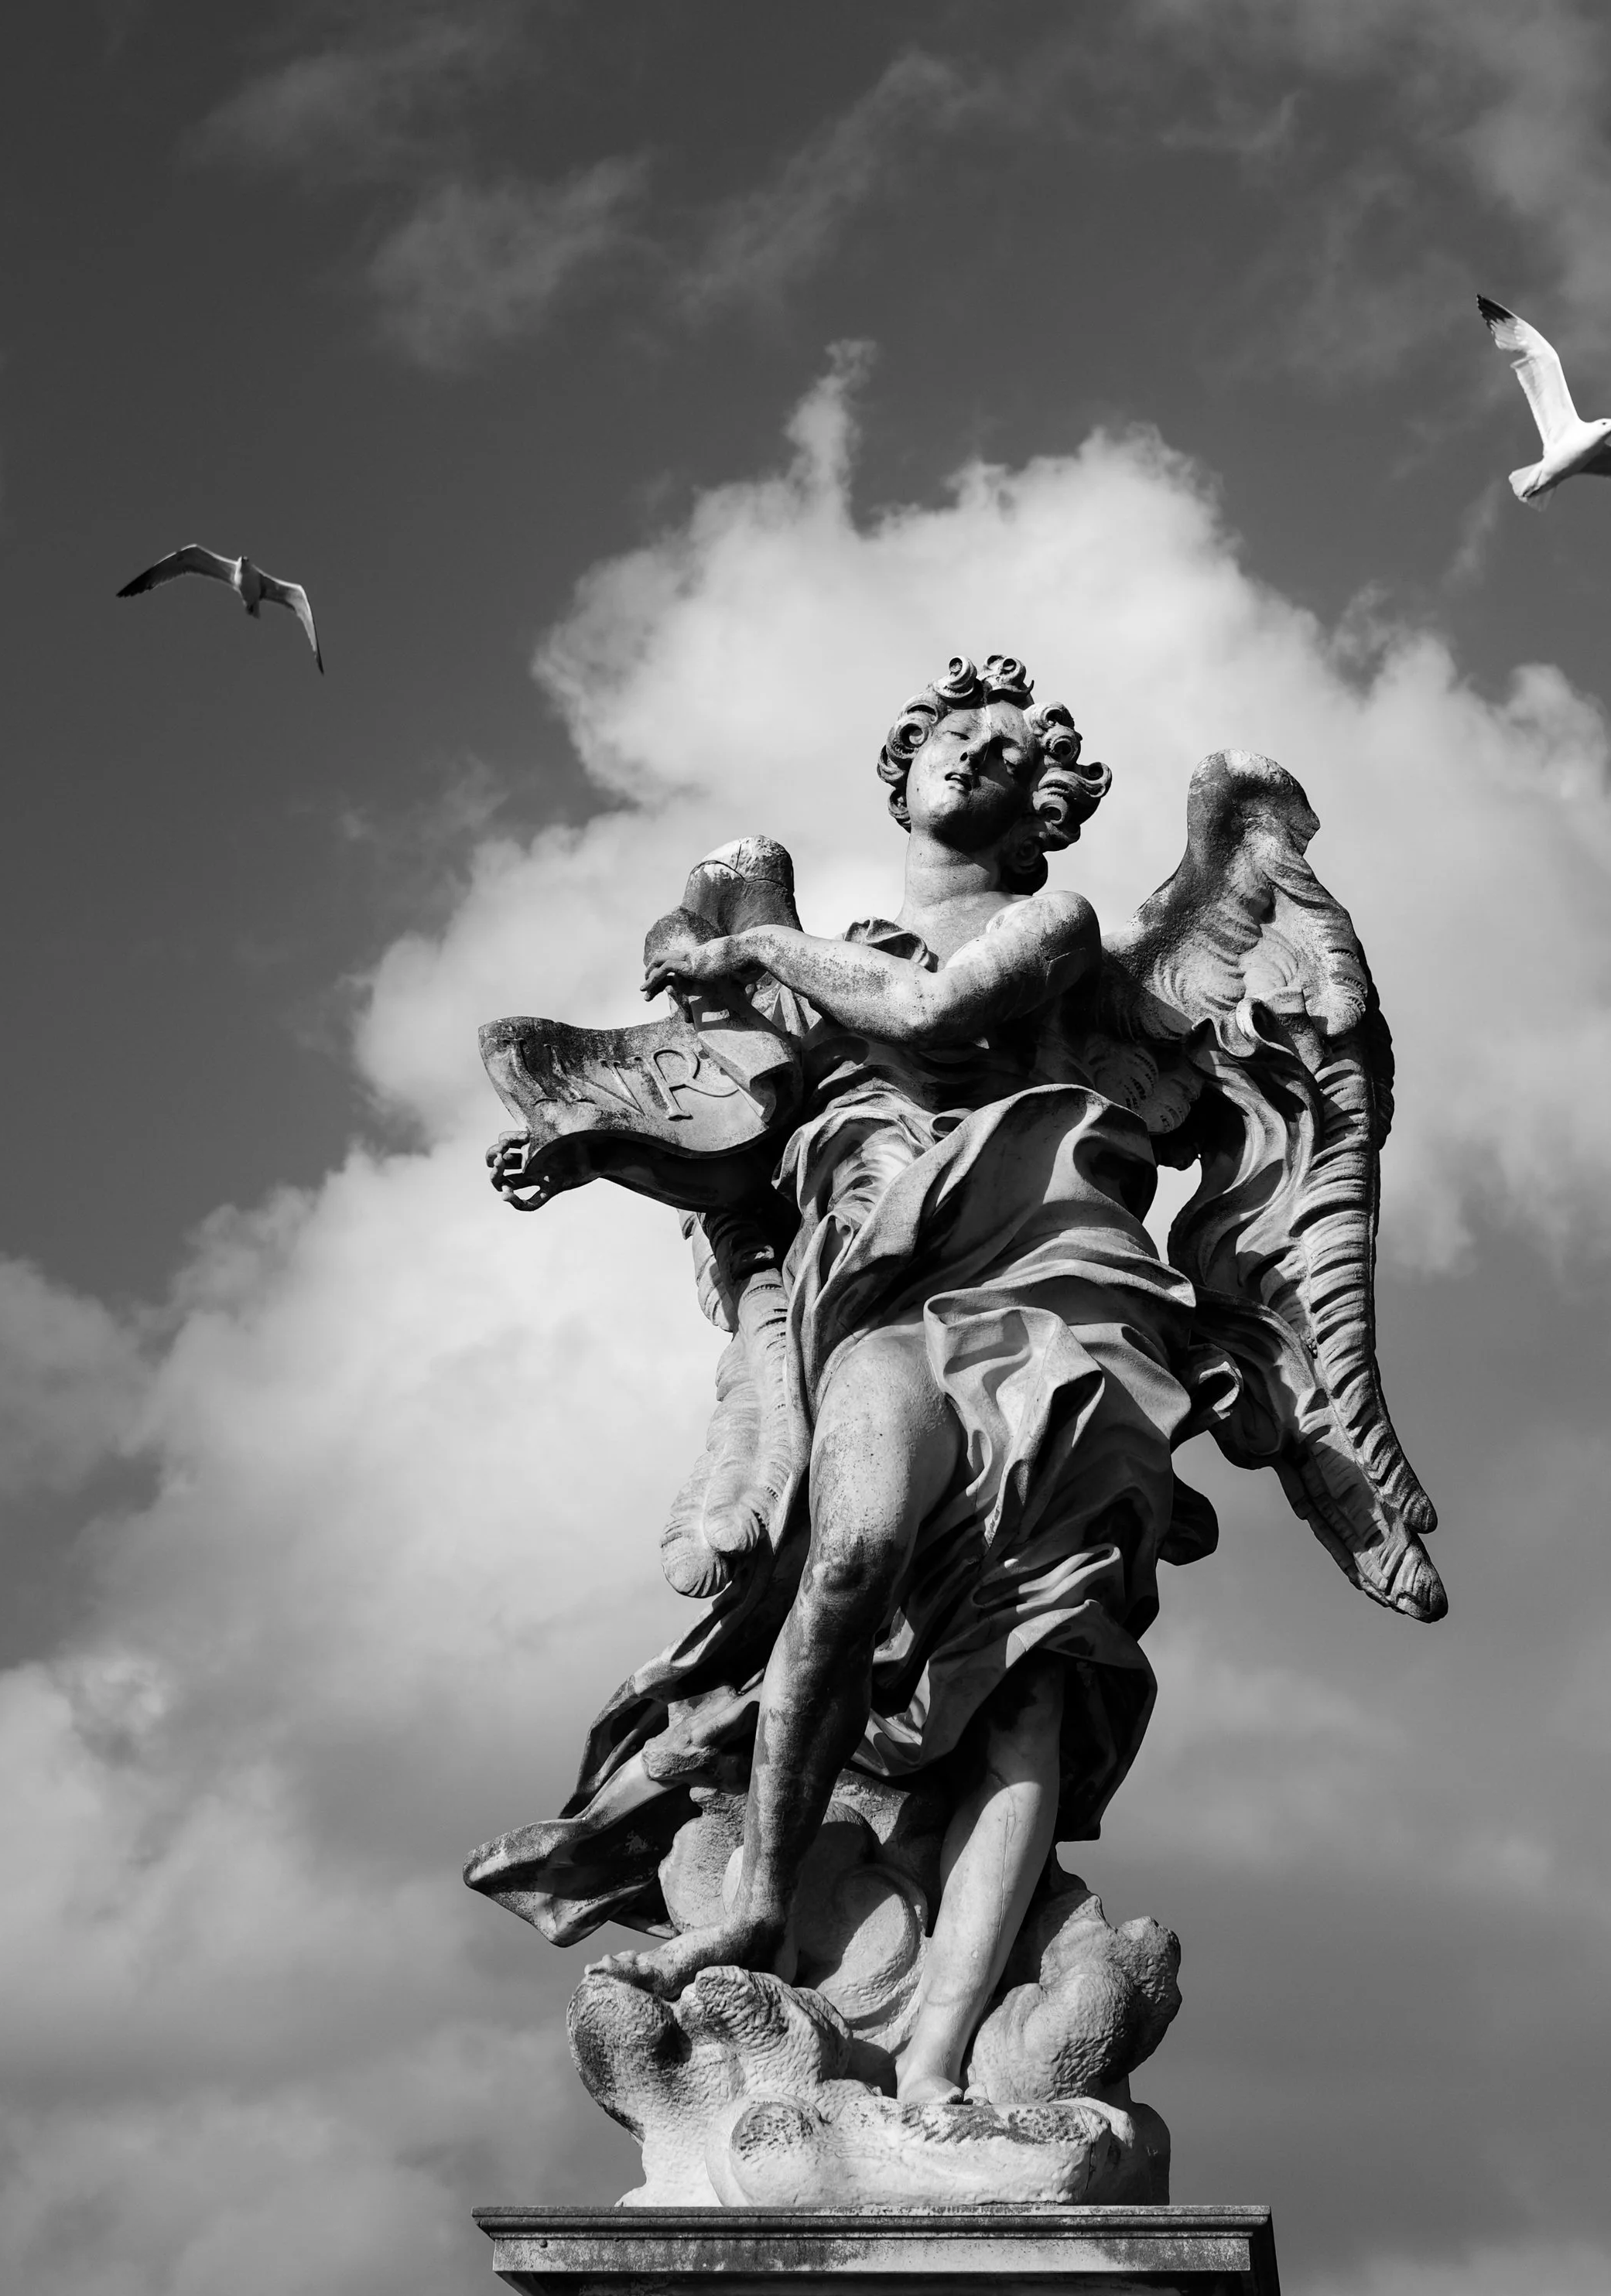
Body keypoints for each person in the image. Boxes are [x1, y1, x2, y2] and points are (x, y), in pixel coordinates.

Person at [588, 654, 1211, 2105]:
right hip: (890, 1298)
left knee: (1033, 1682)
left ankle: (938, 2065)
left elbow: (931, 1017)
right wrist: (586, 1141)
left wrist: (757, 953)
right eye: (957, 736)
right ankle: (758, 1890)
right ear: (908, 760)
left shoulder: (1052, 922)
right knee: (853, 1546)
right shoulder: (830, 958)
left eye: (1008, 754)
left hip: (1059, 1289)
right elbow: (725, 1128)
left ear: (1035, 809)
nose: (976, 761)